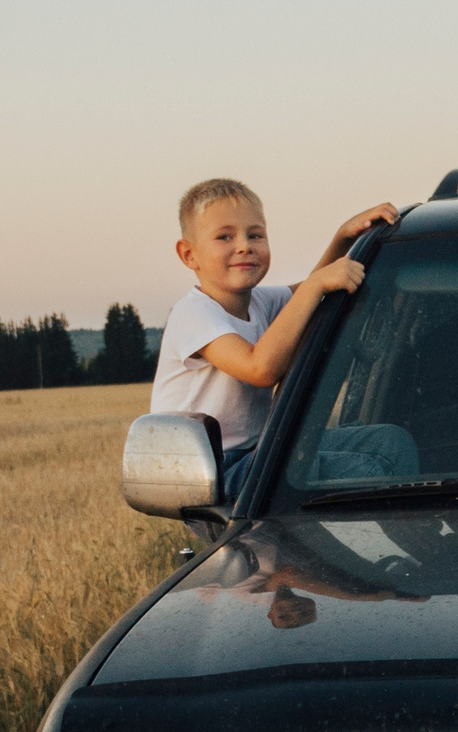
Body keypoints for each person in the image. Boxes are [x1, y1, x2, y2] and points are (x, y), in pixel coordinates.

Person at [150, 178, 412, 498]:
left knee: (390, 443)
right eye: (225, 236)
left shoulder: (260, 301)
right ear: (189, 255)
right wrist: (316, 285)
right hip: (212, 471)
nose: (244, 245)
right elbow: (260, 369)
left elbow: (309, 298)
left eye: (256, 234)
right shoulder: (193, 314)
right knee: (360, 473)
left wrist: (343, 238)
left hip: (259, 450)